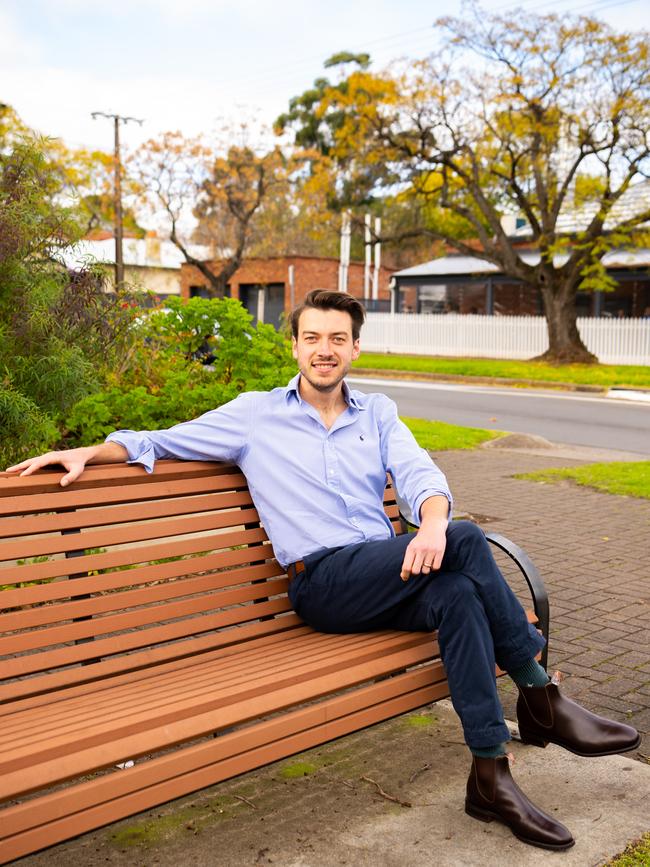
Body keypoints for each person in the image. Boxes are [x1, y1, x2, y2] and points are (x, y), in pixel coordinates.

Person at [7, 290, 639, 852]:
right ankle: (540, 695)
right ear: (296, 345)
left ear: (355, 348)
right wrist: (92, 450)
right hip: (324, 586)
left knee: (458, 594)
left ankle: (489, 776)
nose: (324, 349)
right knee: (469, 544)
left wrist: (435, 521)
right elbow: (162, 440)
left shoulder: (379, 413)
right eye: (313, 337)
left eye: (338, 338)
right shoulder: (256, 415)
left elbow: (421, 476)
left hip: (388, 574)